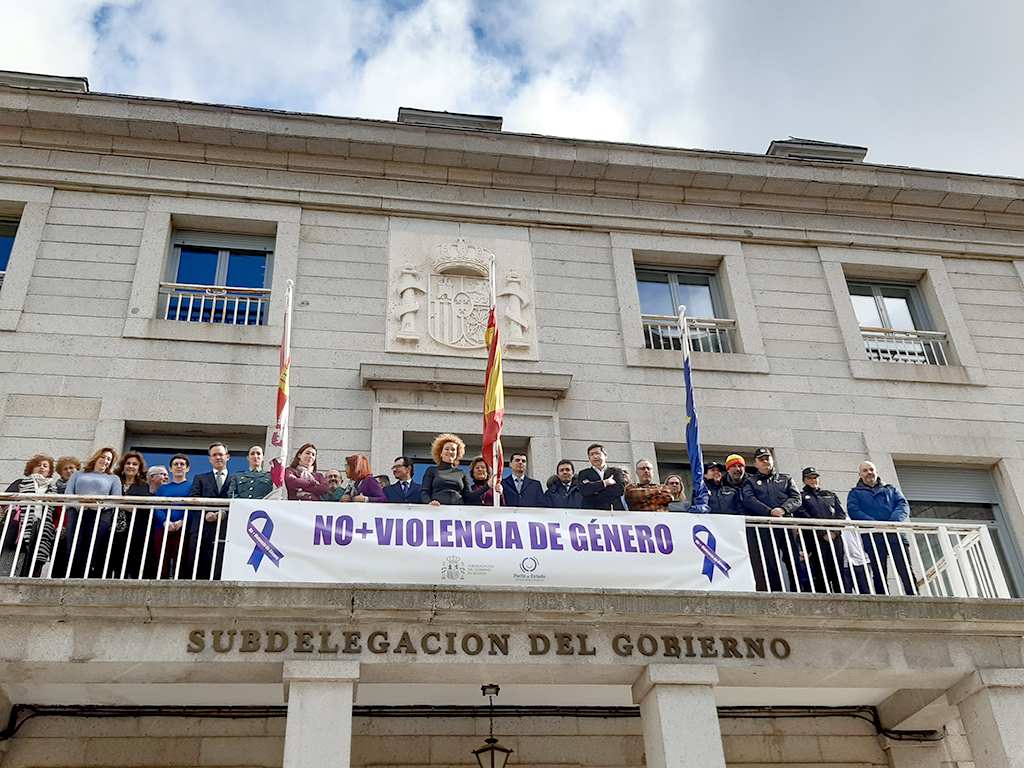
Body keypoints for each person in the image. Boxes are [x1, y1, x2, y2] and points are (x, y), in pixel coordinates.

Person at [847, 460, 917, 596]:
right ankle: (883, 599)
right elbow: (854, 511)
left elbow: (903, 506)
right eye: (865, 470)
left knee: (906, 570)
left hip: (895, 536)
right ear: (860, 474)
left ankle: (914, 596)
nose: (869, 472)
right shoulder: (855, 493)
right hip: (873, 537)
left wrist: (891, 523)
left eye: (871, 469)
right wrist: (875, 524)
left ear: (877, 472)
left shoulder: (892, 490)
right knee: (879, 572)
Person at [740, 448, 801, 592]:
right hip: (766, 527)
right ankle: (777, 593)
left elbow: (797, 498)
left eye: (767, 458)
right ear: (755, 464)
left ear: (773, 461)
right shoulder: (750, 482)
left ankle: (798, 591)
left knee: (793, 560)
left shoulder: (786, 479)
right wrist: (769, 512)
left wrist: (783, 509)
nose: (765, 461)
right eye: (761, 459)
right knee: (770, 562)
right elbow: (749, 500)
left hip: (786, 526)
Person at [64, 446, 122, 578]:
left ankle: (87, 577)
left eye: (109, 459)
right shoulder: (78, 474)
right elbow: (67, 495)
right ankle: (70, 577)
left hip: (100, 515)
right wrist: (79, 505)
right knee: (74, 545)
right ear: (96, 457)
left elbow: (116, 500)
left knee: (93, 546)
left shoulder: (113, 479)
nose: (105, 461)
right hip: (77, 513)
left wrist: (100, 506)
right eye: (103, 457)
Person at [1, 454, 58, 577]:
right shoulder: (21, 483)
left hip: (42, 526)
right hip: (19, 524)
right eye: (38, 465)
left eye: (45, 466)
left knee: (35, 555)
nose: (41, 468)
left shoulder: (53, 489)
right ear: (31, 468)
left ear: (49, 471)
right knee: (11, 555)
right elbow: (4, 501)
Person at [796, 467, 848, 594]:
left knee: (838, 570)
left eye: (815, 477)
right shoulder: (800, 497)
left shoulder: (830, 495)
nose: (813, 480)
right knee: (821, 571)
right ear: (804, 480)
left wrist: (834, 532)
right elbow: (803, 516)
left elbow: (841, 515)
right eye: (809, 478)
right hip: (814, 539)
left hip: (835, 539)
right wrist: (823, 533)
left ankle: (842, 599)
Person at [188, 443, 232, 579]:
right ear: (210, 459)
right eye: (214, 455)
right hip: (202, 528)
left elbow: (237, 501)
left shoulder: (235, 480)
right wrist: (206, 513)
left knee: (221, 566)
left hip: (225, 529)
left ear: (228, 457)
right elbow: (193, 499)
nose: (218, 457)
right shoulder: (200, 478)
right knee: (198, 567)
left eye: (221, 454)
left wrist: (224, 514)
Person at [110, 451, 149, 579]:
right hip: (110, 528)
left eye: (134, 464)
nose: (131, 466)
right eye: (128, 463)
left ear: (139, 469)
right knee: (109, 560)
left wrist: (121, 505)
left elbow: (142, 509)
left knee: (128, 562)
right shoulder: (114, 481)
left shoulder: (143, 487)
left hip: (132, 531)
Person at [154, 454, 191, 579]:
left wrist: (182, 521)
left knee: (180, 561)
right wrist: (165, 521)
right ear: (170, 469)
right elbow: (157, 507)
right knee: (161, 561)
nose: (179, 467)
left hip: (183, 528)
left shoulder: (192, 487)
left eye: (182, 464)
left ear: (188, 469)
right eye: (176, 464)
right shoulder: (162, 489)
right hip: (162, 527)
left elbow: (193, 508)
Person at [50, 456, 81, 577]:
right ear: (60, 473)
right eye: (65, 469)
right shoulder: (55, 490)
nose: (69, 471)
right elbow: (53, 513)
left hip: (77, 530)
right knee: (58, 564)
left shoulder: (81, 488)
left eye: (72, 468)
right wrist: (58, 527)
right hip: (60, 532)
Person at [420, 434, 472, 505]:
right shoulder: (432, 470)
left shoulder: (462, 473)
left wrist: (487, 486)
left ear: (457, 454)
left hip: (458, 512)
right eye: (447, 449)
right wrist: (429, 503)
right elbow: (425, 491)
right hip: (436, 510)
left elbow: (469, 496)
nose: (450, 452)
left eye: (453, 450)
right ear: (440, 453)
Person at [578, 444, 626, 511]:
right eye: (592, 454)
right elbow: (584, 491)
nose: (595, 456)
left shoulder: (616, 471)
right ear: (589, 459)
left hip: (614, 511)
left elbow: (620, 490)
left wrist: (594, 489)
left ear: (605, 455)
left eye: (598, 453)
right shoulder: (584, 473)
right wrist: (605, 483)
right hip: (591, 512)